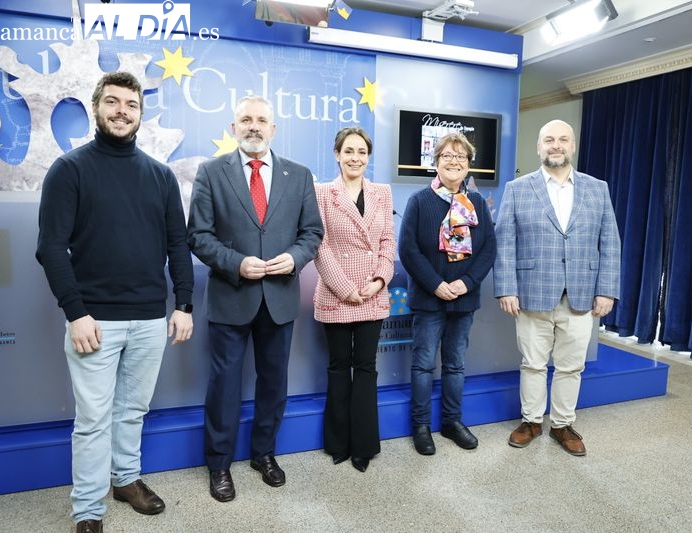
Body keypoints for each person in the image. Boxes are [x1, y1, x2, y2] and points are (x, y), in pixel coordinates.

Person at [36, 71, 194, 533]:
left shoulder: (161, 176)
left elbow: (177, 245)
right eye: (113, 102)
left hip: (149, 319)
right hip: (94, 320)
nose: (122, 111)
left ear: (140, 114)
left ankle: (126, 480)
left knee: (132, 410)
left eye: (131, 104)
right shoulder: (69, 170)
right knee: (92, 420)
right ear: (97, 108)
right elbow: (50, 248)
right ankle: (88, 508)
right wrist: (75, 313)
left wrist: (183, 303)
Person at [187, 95, 323, 502]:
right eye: (245, 119)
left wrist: (295, 259)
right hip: (232, 294)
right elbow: (198, 235)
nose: (254, 126)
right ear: (233, 127)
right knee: (225, 385)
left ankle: (264, 454)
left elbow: (312, 234)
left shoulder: (298, 175)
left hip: (280, 297)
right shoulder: (211, 173)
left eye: (262, 120)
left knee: (273, 384)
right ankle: (219, 464)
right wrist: (236, 263)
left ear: (274, 129)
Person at [493, 119, 621, 457]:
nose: (556, 145)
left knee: (571, 366)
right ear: (539, 147)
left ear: (573, 146)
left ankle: (562, 424)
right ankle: (532, 421)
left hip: (582, 294)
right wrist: (506, 288)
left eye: (563, 139)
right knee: (533, 363)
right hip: (532, 292)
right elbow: (504, 242)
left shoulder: (598, 188)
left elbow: (610, 243)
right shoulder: (518, 189)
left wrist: (607, 290)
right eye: (548, 139)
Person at [398, 132, 496, 456]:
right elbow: (408, 250)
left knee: (455, 365)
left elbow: (488, 250)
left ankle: (452, 422)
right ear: (435, 163)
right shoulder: (418, 201)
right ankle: (421, 426)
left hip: (464, 299)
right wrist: (436, 284)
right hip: (429, 299)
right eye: (447, 157)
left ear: (468, 166)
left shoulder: (477, 203)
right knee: (424, 364)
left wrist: (466, 283)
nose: (454, 162)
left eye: (461, 157)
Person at [313, 127, 395, 473]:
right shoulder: (321, 193)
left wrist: (379, 280)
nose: (355, 158)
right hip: (336, 293)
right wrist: (346, 289)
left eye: (361, 152)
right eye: (349, 151)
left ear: (368, 156)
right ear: (337, 154)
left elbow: (388, 241)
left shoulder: (382, 192)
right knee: (337, 368)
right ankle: (338, 442)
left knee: (365, 368)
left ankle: (363, 444)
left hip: (373, 296)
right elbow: (320, 246)